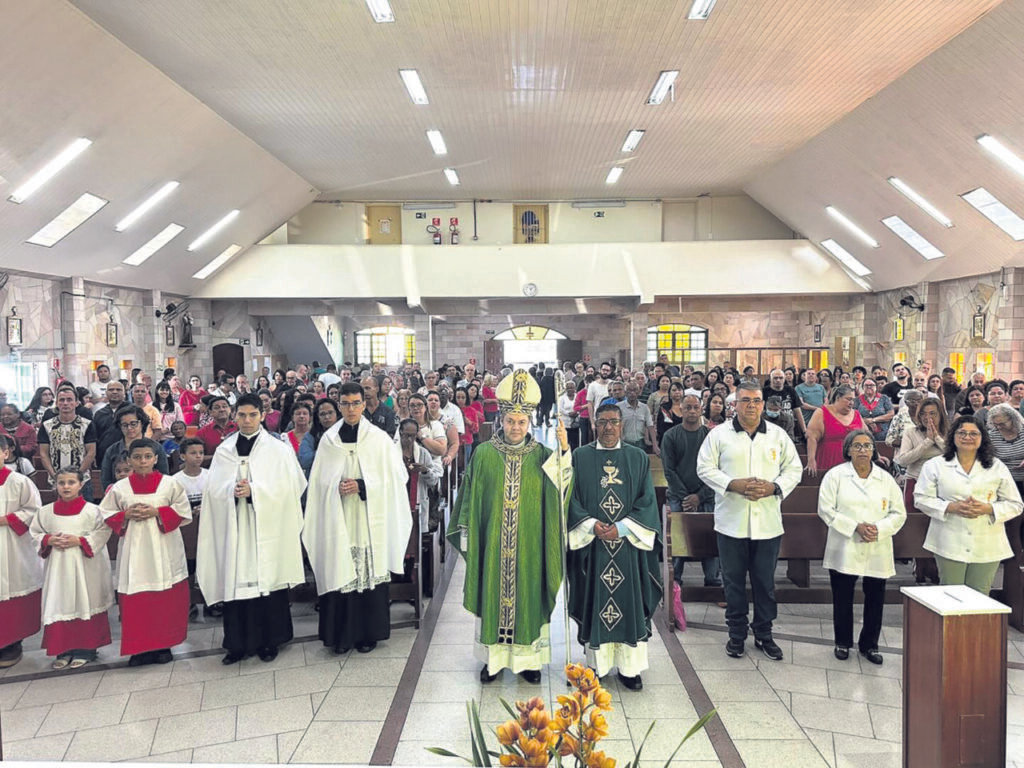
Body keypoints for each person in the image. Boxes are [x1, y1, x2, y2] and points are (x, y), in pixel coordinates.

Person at [447, 369, 571, 684]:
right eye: (510, 421)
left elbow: (562, 493)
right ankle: (494, 660)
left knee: (529, 593)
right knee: (493, 594)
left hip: (530, 545)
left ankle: (529, 661)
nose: (516, 427)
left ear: (530, 423)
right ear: (501, 420)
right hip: (492, 544)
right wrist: (470, 533)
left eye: (522, 422)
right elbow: (470, 500)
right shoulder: (484, 455)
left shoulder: (543, 456)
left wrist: (565, 452)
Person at [697, 379, 803, 660]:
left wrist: (774, 487)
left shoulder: (777, 436)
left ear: (763, 403)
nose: (752, 406)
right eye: (745, 401)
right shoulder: (719, 435)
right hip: (731, 521)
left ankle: (764, 633)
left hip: (767, 522)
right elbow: (704, 468)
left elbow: (794, 469)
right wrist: (733, 484)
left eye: (756, 401)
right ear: (735, 404)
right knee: (733, 581)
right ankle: (736, 634)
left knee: (764, 582)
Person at [198, 393, 306, 664]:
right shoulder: (225, 450)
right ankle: (237, 643)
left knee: (268, 581)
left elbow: (293, 487)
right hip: (235, 528)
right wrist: (230, 491)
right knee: (236, 579)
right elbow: (212, 490)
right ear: (235, 416)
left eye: (252, 415)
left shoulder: (278, 449)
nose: (247, 420)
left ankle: (270, 641)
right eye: (242, 415)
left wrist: (256, 491)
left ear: (262, 415)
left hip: (266, 528)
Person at [304, 383, 411, 655]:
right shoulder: (329, 440)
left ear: (364, 404)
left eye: (355, 403)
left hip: (367, 518)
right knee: (340, 570)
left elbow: (397, 478)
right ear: (338, 405)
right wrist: (334, 487)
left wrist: (363, 486)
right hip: (338, 517)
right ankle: (340, 635)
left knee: (368, 574)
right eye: (345, 404)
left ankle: (367, 633)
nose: (350, 409)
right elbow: (317, 483)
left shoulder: (378, 439)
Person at [566, 403, 660, 691]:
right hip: (594, 546)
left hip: (627, 545)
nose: (608, 427)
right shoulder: (580, 457)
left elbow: (647, 502)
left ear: (622, 424)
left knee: (629, 600)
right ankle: (596, 666)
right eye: (603, 422)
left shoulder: (637, 458)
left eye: (614, 422)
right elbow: (571, 499)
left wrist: (621, 528)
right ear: (594, 424)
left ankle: (630, 669)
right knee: (596, 599)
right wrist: (591, 525)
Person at [100, 438, 192, 666]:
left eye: (147, 457)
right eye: (137, 457)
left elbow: (183, 512)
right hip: (134, 551)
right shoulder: (119, 488)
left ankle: (163, 646)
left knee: (164, 599)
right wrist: (125, 515)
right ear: (129, 459)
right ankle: (139, 649)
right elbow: (105, 514)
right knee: (137, 600)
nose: (142, 461)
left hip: (164, 548)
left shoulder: (170, 484)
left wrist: (158, 512)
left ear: (155, 459)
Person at [817, 431, 906, 665]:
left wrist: (879, 529)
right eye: (857, 446)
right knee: (843, 597)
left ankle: (870, 644)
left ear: (874, 451)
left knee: (875, 598)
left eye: (867, 446)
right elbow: (825, 509)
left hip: (877, 544)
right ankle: (842, 642)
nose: (863, 450)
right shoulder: (835, 475)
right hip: (844, 544)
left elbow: (899, 512)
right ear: (848, 450)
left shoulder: (885, 479)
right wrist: (854, 527)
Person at [915, 416, 1024, 594]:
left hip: (988, 541)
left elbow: (1015, 504)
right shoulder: (935, 465)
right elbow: (921, 498)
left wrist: (988, 508)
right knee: (951, 593)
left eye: (974, 433)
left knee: (980, 596)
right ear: (953, 437)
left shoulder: (996, 466)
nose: (968, 437)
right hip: (949, 538)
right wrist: (951, 507)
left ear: (983, 438)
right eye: (962, 433)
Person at [30, 467, 114, 669]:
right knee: (60, 603)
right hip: (58, 568)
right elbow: (34, 534)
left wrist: (80, 540)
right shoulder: (45, 512)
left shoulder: (93, 511)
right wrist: (48, 539)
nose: (66, 487)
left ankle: (86, 649)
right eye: (61, 483)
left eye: (71, 482)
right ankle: (63, 649)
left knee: (85, 601)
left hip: (85, 567)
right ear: (55, 485)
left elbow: (102, 533)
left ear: (81, 484)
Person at [661, 395, 720, 587]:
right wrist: (687, 498)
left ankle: (712, 580)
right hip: (679, 496)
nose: (692, 411)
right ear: (681, 410)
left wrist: (699, 496)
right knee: (678, 539)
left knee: (710, 537)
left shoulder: (711, 437)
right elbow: (669, 470)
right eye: (688, 408)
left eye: (696, 407)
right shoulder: (671, 436)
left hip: (706, 495)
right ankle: (675, 582)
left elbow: (717, 470)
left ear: (702, 409)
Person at [0, 435, 43, 669]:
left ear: (6, 453)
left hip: (11, 546)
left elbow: (34, 510)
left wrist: (6, 519)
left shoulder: (19, 482)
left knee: (13, 590)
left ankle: (12, 643)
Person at [37, 387, 98, 503]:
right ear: (56, 403)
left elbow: (91, 452)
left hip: (82, 480)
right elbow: (43, 454)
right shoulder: (46, 425)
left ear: (76, 403)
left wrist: (77, 475)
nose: (65, 403)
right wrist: (54, 475)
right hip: (55, 480)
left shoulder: (87, 424)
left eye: (69, 400)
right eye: (62, 400)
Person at [173, 437, 208, 617]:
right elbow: (173, 506)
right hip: (186, 531)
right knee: (189, 566)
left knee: (208, 564)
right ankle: (189, 602)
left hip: (206, 529)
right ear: (183, 456)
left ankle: (211, 601)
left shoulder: (209, 476)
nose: (198, 457)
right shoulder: (175, 480)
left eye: (201, 453)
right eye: (193, 453)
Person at [101, 405, 170, 490]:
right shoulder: (112, 451)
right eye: (125, 425)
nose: (129, 428)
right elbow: (106, 481)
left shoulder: (156, 448)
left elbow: (164, 477)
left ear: (142, 423)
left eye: (133, 424)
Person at [805, 386, 865, 476]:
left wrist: (878, 455)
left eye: (853, 400)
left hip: (852, 463)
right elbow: (812, 437)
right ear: (838, 398)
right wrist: (811, 460)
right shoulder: (821, 412)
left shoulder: (856, 414)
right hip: (828, 460)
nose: (851, 403)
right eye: (848, 399)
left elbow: (867, 436)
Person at [986, 403, 1024, 496]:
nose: (999, 427)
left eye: (1002, 424)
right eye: (995, 424)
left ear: (1013, 419)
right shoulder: (991, 436)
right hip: (1004, 482)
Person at [762, 368, 807, 439]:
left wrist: (804, 430)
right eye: (775, 378)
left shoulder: (790, 390)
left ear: (784, 379)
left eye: (781, 378)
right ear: (770, 379)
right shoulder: (764, 391)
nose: (778, 380)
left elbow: (797, 411)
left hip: (787, 425)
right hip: (769, 425)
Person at [617, 381, 657, 454]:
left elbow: (650, 426)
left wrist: (655, 445)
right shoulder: (618, 407)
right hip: (624, 443)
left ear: (639, 392)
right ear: (625, 392)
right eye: (629, 390)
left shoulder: (644, 408)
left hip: (640, 443)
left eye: (635, 390)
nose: (632, 393)